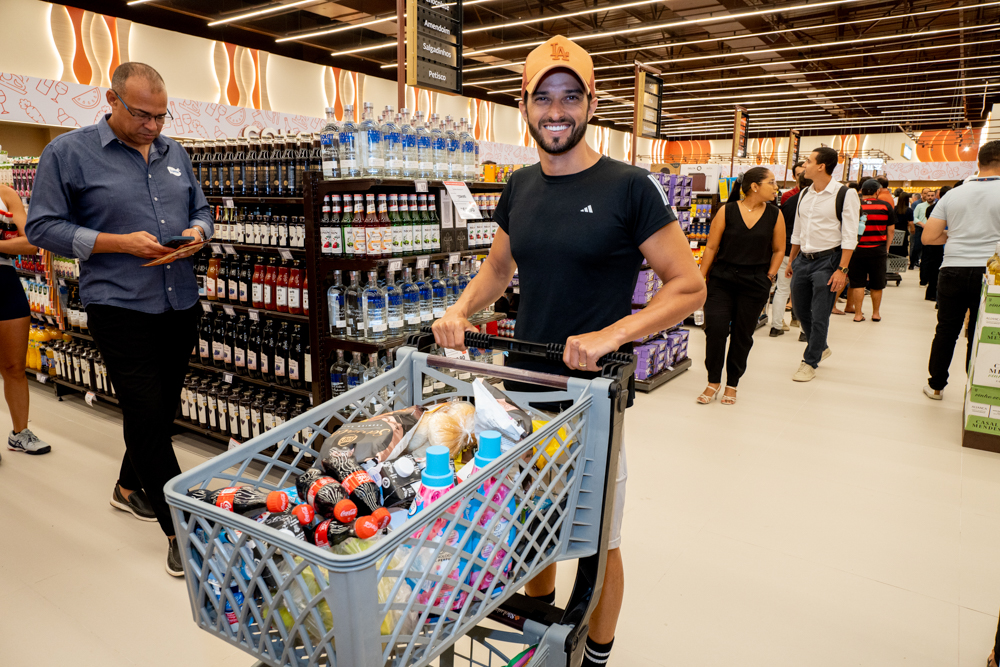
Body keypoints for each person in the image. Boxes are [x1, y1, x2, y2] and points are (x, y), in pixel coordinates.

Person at [431, 35, 706, 667]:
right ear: (524, 104)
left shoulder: (629, 187)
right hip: (520, 397)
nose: (557, 111)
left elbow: (689, 285)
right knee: (532, 531)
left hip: (590, 404)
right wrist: (457, 310)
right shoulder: (522, 185)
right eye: (544, 98)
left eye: (570, 97)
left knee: (596, 541)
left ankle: (596, 656)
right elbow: (498, 271)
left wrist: (614, 334)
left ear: (590, 103)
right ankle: (539, 638)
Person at [25, 62, 212, 576]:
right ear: (111, 99)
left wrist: (197, 234)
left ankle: (129, 486)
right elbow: (42, 226)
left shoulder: (176, 153)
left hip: (179, 300)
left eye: (161, 115)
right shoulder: (67, 153)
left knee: (160, 408)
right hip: (118, 304)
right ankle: (182, 532)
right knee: (149, 415)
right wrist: (114, 244)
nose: (153, 126)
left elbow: (201, 208)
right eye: (141, 115)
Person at [921, 140, 1000, 399]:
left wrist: (956, 237)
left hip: (953, 267)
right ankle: (974, 388)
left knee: (946, 329)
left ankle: (936, 386)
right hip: (992, 271)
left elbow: (929, 238)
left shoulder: (953, 194)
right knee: (982, 331)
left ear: (978, 163)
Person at [699, 167, 785, 404]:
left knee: (742, 335)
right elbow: (711, 247)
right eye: (772, 182)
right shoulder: (727, 211)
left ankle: (732, 384)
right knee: (715, 330)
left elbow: (779, 249)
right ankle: (713, 381)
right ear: (755, 186)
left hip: (755, 282)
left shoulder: (775, 214)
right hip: (722, 279)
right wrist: (700, 279)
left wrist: (769, 275)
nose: (776, 187)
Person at [786, 146, 860, 382]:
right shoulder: (805, 193)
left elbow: (850, 235)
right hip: (802, 260)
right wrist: (791, 259)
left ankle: (810, 361)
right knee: (798, 309)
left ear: (821, 166)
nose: (803, 165)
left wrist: (842, 269)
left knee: (820, 313)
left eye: (808, 161)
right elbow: (798, 230)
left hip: (828, 261)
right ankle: (821, 345)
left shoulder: (844, 194)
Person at [0, 184, 52, 458]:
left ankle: (20, 433)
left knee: (14, 366)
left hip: (5, 282)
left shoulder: (6, 194)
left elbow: (31, 243)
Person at [846, 179, 896, 322]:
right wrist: (886, 248)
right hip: (877, 250)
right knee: (877, 283)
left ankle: (858, 314)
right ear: (878, 191)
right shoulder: (886, 206)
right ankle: (876, 313)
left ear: (861, 190)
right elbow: (891, 230)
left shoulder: (857, 205)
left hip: (857, 250)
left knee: (858, 283)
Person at [771, 170, 810, 336]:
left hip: (785, 250)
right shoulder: (814, 203)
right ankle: (804, 331)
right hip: (806, 253)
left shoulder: (789, 201)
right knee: (807, 292)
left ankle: (776, 326)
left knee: (782, 290)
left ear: (798, 183)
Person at [920, 185, 949, 301]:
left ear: (937, 195)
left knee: (933, 269)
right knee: (937, 269)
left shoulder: (932, 208)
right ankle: (935, 294)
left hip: (934, 243)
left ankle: (931, 292)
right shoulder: (943, 209)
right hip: (940, 243)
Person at [910, 187, 933, 269]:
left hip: (931, 230)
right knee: (917, 246)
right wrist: (922, 224)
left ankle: (924, 264)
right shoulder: (919, 205)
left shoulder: (936, 206)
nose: (929, 196)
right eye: (926, 194)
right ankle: (912, 263)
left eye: (931, 195)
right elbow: (914, 217)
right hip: (919, 228)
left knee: (927, 248)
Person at [891, 188, 913, 263]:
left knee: (893, 251)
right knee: (901, 252)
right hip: (903, 233)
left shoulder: (894, 209)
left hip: (894, 232)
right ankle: (897, 271)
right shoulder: (909, 210)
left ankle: (890, 269)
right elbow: (911, 222)